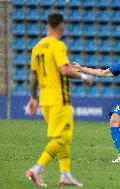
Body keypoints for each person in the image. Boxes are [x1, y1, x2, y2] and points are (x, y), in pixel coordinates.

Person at [25, 13, 94, 187]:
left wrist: (33, 98)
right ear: (62, 27)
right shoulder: (58, 46)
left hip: (45, 100)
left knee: (64, 137)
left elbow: (33, 77)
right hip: (59, 99)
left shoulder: (37, 47)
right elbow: (64, 70)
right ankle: (37, 169)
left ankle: (65, 174)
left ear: (47, 26)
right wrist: (85, 77)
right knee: (63, 138)